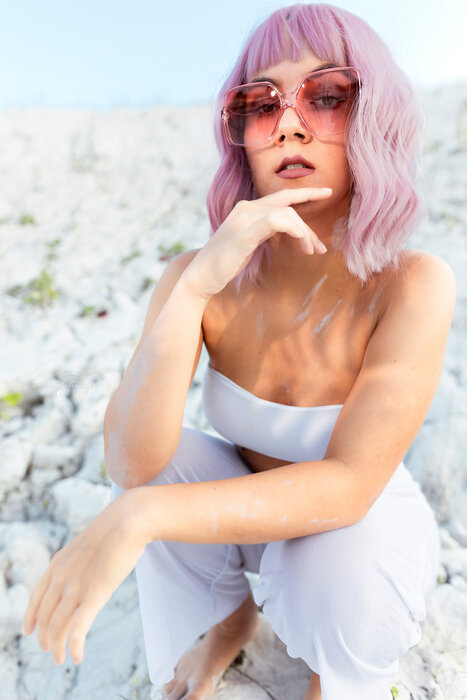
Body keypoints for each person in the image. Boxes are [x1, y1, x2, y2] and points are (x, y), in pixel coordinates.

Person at [23, 3, 456, 699]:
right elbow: (132, 462)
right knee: (158, 472)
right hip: (249, 516)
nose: (288, 124)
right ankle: (230, 623)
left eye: (327, 95)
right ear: (241, 139)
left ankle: (329, 671)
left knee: (333, 567)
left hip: (357, 529)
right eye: (260, 103)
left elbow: (349, 485)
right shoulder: (199, 276)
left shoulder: (411, 283)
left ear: (374, 117)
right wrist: (194, 290)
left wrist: (139, 519)